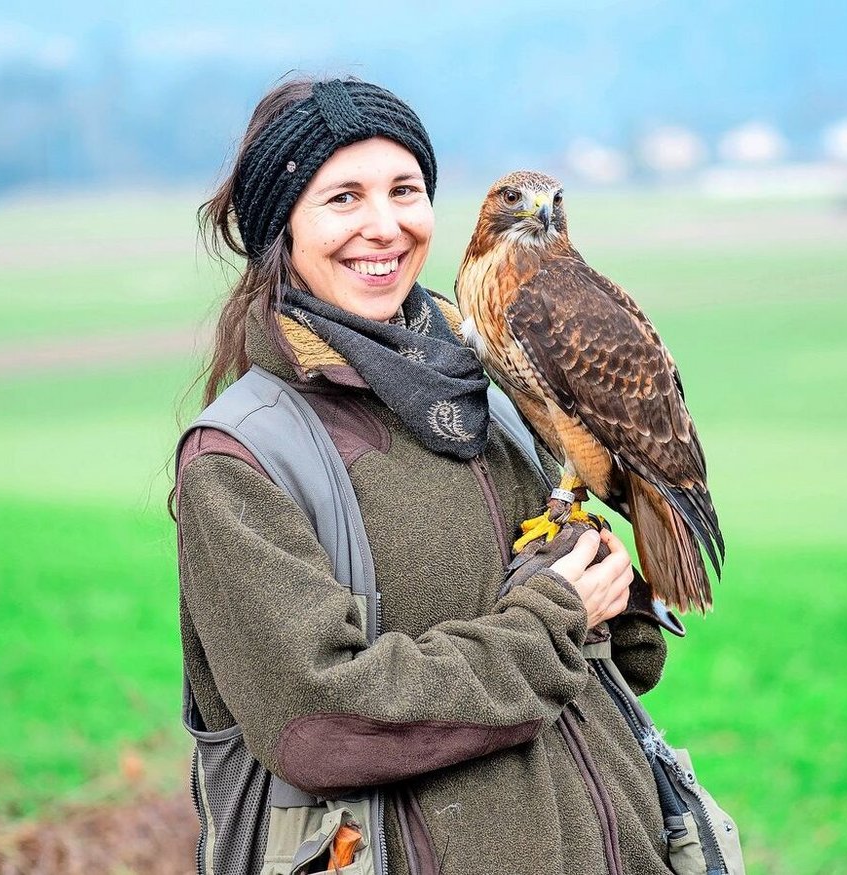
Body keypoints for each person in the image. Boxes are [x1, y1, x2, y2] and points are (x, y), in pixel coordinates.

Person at [174, 76, 675, 875]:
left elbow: (619, 668)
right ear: (283, 231)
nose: (384, 225)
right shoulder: (242, 458)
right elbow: (320, 719)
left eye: (405, 190)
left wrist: (613, 588)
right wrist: (555, 616)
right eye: (343, 197)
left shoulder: (483, 387)